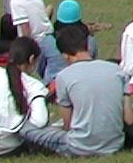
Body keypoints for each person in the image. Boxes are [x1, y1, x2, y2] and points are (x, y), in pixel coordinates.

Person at [20, 23, 126, 156]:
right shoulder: (115, 70)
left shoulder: (64, 76)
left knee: (26, 129)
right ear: (87, 46)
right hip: (115, 144)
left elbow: (68, 125)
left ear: (65, 56)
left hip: (79, 146)